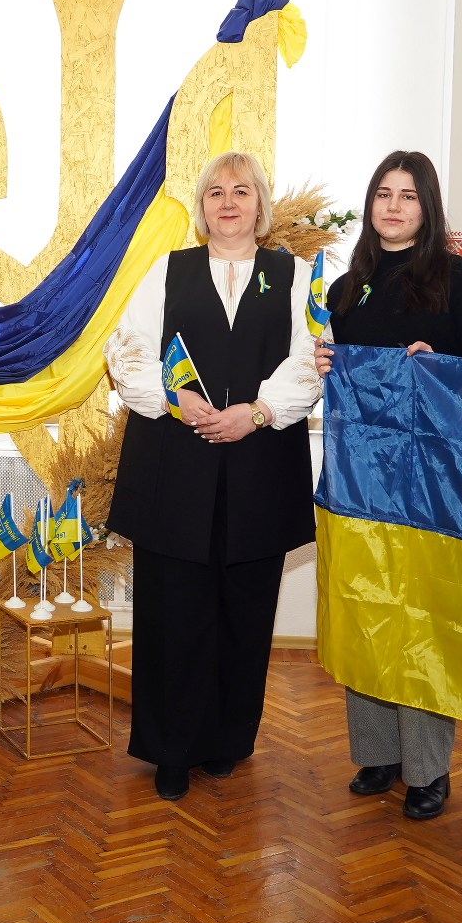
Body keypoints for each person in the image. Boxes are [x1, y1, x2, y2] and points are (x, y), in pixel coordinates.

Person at [105, 151, 322, 801]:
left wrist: (256, 412)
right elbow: (126, 351)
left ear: (261, 205)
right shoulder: (167, 272)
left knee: (245, 613)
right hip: (175, 467)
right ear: (202, 208)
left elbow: (311, 359)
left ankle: (228, 740)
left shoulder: (295, 276)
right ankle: (172, 750)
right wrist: (175, 398)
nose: (228, 202)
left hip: (259, 466)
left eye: (242, 191)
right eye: (216, 192)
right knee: (173, 613)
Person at [311, 151, 462, 820]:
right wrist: (321, 362)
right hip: (360, 477)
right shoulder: (344, 288)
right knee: (367, 608)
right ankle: (377, 755)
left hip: (432, 481)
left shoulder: (459, 281)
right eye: (383, 193)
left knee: (420, 619)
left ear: (428, 207)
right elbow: (323, 374)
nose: (393, 206)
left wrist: (442, 367)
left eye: (408, 196)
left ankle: (426, 769)